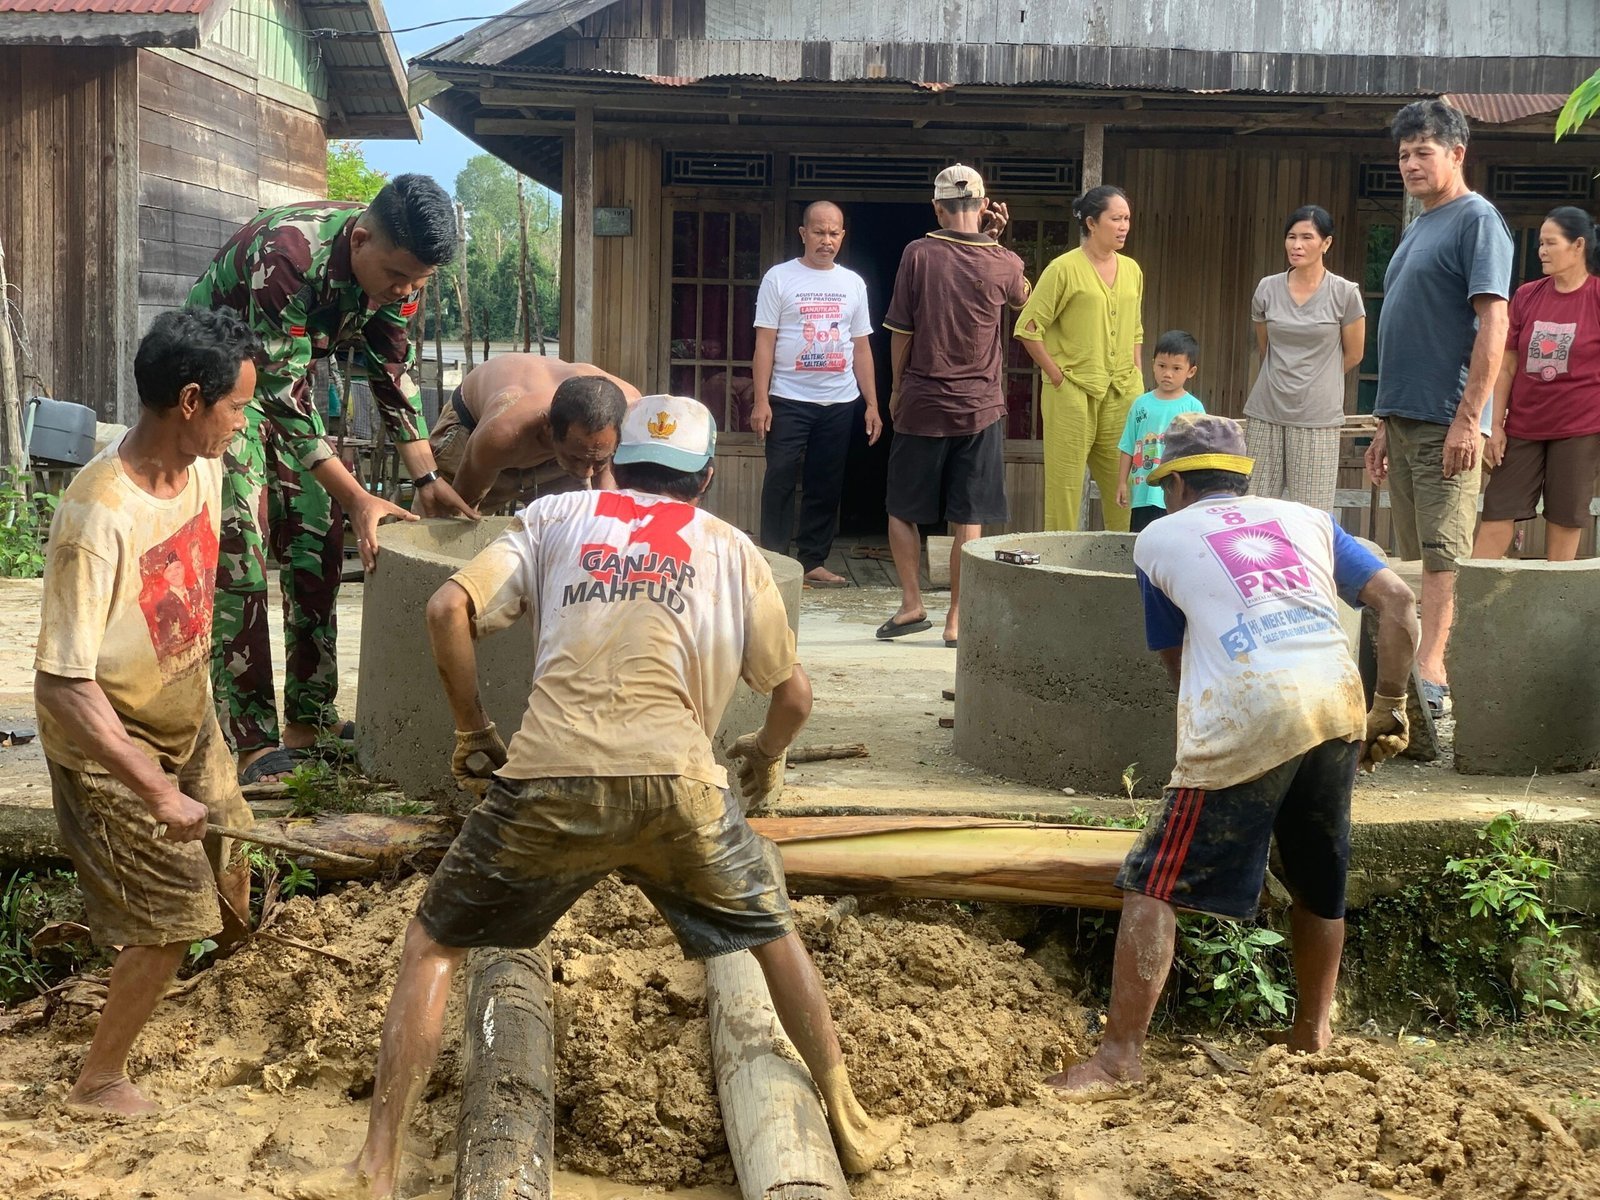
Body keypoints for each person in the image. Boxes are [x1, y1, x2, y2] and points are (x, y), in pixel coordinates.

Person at [295, 395, 899, 1200]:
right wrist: (765, 756)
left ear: (617, 461)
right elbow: (791, 695)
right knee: (771, 930)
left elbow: (447, 609)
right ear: (708, 476)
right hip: (682, 786)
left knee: (434, 945)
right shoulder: (733, 549)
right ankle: (848, 1116)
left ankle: (376, 1165)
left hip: (548, 780)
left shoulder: (553, 518)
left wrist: (474, 731)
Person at [1047, 413, 1419, 1099]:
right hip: (1337, 700)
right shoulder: (1307, 519)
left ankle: (1117, 1059)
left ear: (1179, 484)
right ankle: (1312, 1035)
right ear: (1242, 477)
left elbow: (1174, 657)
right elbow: (1397, 600)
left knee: (1153, 881)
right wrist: (1389, 702)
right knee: (1318, 880)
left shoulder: (1159, 535)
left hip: (1252, 705)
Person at [33, 309, 262, 1115]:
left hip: (183, 707)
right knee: (169, 918)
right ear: (192, 401)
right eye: (237, 407)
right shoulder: (97, 518)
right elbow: (64, 684)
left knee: (232, 853)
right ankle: (98, 1081)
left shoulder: (202, 466)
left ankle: (212, 987)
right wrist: (157, 791)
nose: (245, 422)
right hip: (108, 741)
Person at [188, 174, 479, 784]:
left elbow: (391, 369)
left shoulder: (401, 268)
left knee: (317, 538)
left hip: (284, 380)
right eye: (398, 276)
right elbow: (279, 399)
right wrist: (360, 497)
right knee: (240, 545)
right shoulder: (287, 255)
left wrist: (425, 477)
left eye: (416, 283)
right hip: (219, 390)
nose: (404, 290)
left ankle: (310, 720)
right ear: (362, 238)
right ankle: (251, 742)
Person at [1363, 101, 1512, 716]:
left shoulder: (1477, 219)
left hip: (1446, 420)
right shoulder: (1421, 224)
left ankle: (1434, 680)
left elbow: (1495, 321)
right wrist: (1381, 424)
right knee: (1413, 550)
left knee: (1443, 554)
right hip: (1403, 418)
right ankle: (1409, 680)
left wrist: (1468, 415)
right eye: (1403, 154)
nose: (1410, 164)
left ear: (1457, 153)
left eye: (1424, 151)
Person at [878, 164, 1029, 646]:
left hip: (924, 399)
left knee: (902, 508)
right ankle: (956, 620)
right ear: (984, 206)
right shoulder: (1005, 261)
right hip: (981, 404)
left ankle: (911, 604)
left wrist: (897, 388)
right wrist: (998, 240)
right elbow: (1021, 298)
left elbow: (902, 331)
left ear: (938, 208)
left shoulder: (918, 253)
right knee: (969, 514)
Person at [752, 200, 883, 585]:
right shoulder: (779, 278)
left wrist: (872, 403)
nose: (827, 240)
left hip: (839, 401)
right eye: (819, 232)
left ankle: (812, 561)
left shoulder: (853, 284)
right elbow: (765, 343)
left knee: (824, 483)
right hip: (788, 398)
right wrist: (761, 400)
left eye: (834, 233)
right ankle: (775, 561)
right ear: (803, 233)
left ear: (842, 235)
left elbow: (861, 347)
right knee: (778, 478)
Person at [1014, 185, 1144, 532]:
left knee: (1126, 487)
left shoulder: (1132, 270)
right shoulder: (1063, 269)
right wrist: (1056, 376)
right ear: (1091, 222)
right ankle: (1060, 569)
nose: (1123, 226)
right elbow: (1028, 328)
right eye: (1115, 218)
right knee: (1066, 488)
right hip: (1071, 392)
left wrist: (1137, 374)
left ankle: (1124, 569)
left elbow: (1136, 330)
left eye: (1127, 218)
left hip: (1121, 393)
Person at [1474, 206, 1600, 562]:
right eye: (1540, 244)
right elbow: (1507, 363)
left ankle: (1555, 606)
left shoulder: (1596, 296)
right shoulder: (1528, 295)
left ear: (1578, 246)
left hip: (1580, 428)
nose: (1542, 250)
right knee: (1498, 508)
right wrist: (1494, 425)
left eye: (1550, 243)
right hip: (1523, 425)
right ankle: (1471, 604)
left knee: (1565, 514)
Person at [1247, 205, 1367, 511]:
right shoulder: (1267, 288)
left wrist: (1317, 379)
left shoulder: (1345, 293)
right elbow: (1265, 346)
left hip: (1317, 416)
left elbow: (1354, 353)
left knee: (1311, 513)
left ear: (1326, 243)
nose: (1296, 245)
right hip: (1266, 409)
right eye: (1291, 237)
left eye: (1306, 237)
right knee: (1255, 507)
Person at [428, 354, 641, 512]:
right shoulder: (502, 432)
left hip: (560, 451)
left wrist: (606, 511)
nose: (587, 473)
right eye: (575, 458)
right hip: (472, 429)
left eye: (598, 461)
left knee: (586, 524)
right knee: (438, 522)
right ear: (548, 429)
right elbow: (461, 509)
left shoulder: (633, 410)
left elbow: (607, 501)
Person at [1115, 330, 1206, 532]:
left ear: (1190, 371)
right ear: (1153, 363)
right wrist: (1122, 483)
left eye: (1176, 368)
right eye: (1162, 366)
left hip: (1177, 495)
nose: (1167, 373)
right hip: (1142, 492)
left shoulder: (1194, 408)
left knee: (1174, 543)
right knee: (1140, 542)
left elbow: (1199, 453)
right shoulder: (1140, 405)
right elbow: (1128, 445)